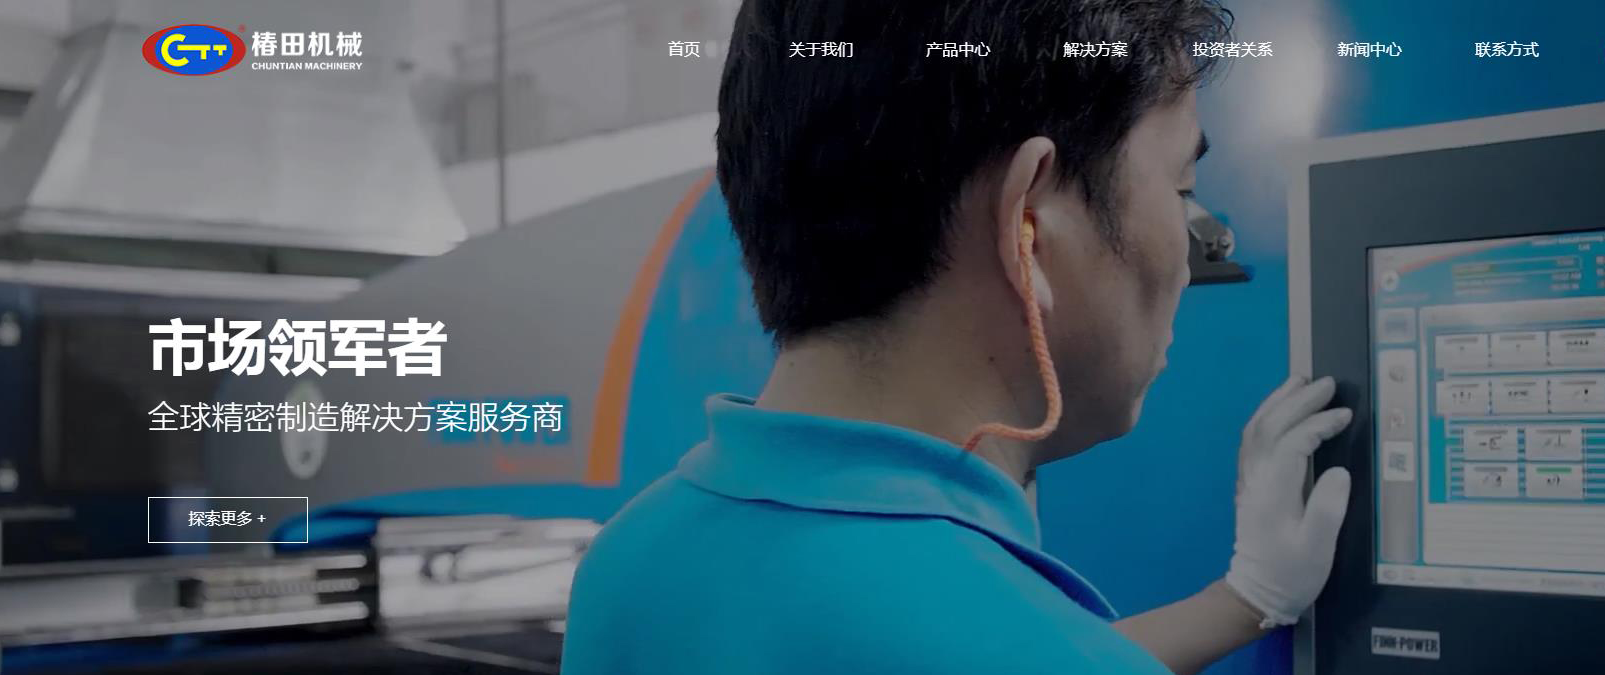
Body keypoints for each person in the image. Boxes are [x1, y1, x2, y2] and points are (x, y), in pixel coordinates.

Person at [561, 1, 1352, 673]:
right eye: (1180, 188)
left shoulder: (630, 563)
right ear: (1029, 228)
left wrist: (1243, 600)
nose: (1189, 257)